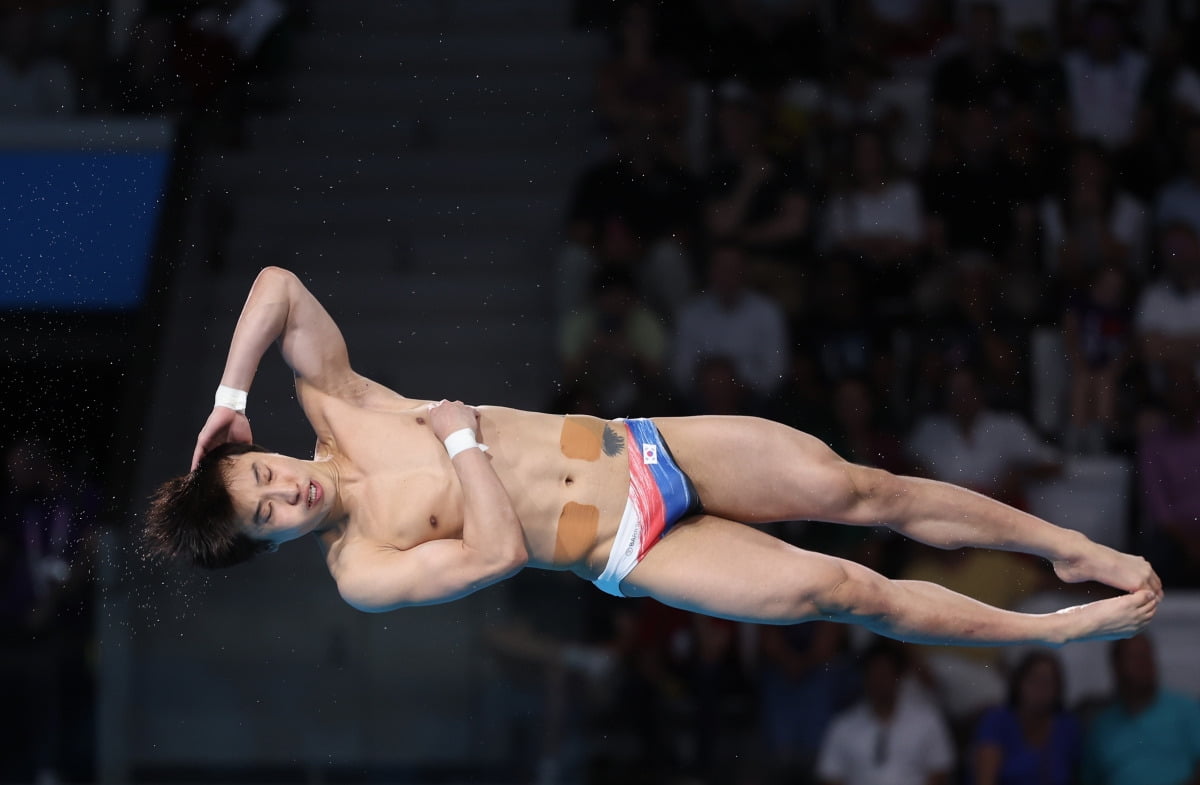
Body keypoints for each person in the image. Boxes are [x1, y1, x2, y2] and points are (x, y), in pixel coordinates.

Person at [146, 267, 1161, 649]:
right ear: (271, 548)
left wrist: (228, 400)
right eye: (266, 514)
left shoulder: (340, 405)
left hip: (651, 447)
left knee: (858, 487)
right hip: (628, 544)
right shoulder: (362, 568)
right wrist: (460, 440)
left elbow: (276, 286)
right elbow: (496, 552)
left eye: (261, 472)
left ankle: (1066, 545)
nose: (285, 487)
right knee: (841, 588)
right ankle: (1051, 631)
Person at [815, 642, 955, 785]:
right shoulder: (843, 725)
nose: (880, 681)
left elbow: (940, 772)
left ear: (898, 677)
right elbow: (831, 775)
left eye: (885, 674)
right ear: (865, 678)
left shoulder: (927, 720)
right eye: (874, 674)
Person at [1082, 634, 1200, 785]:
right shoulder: (1102, 726)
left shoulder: (1186, 710)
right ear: (1116, 666)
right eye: (1134, 657)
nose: (1144, 664)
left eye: (1146, 656)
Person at [970, 650, 1082, 785]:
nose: (1040, 689)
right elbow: (985, 780)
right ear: (1019, 683)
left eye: (1047, 683)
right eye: (1034, 681)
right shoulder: (997, 721)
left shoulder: (1068, 727)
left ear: (1058, 689)